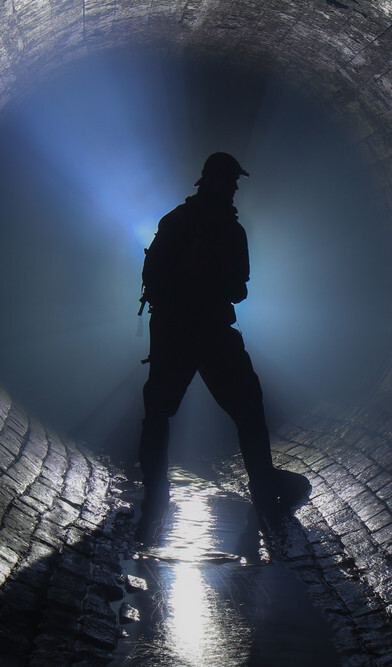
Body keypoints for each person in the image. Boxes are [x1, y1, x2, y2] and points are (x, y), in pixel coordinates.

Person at [137, 152, 309, 514]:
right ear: (214, 180)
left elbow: (151, 277)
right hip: (210, 331)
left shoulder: (177, 221)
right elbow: (238, 288)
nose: (233, 188)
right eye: (230, 181)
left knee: (159, 412)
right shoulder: (230, 231)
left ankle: (155, 494)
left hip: (177, 331)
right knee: (247, 408)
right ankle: (263, 487)